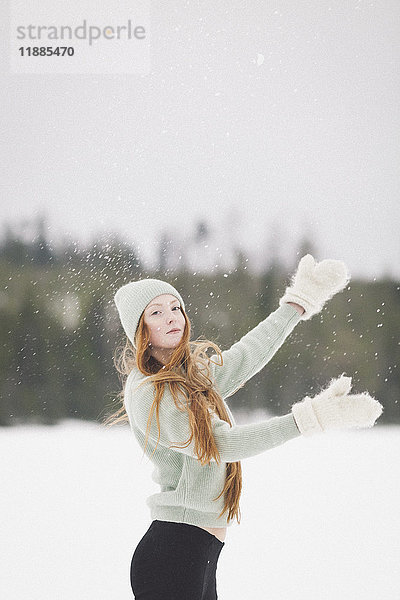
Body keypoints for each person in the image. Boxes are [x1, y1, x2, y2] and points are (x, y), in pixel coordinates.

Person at [107, 254, 383, 600]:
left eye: (175, 307)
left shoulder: (188, 375)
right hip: (173, 554)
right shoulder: (151, 391)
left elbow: (246, 356)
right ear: (140, 329)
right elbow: (220, 445)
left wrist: (297, 304)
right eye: (156, 312)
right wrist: (308, 420)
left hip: (196, 553)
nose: (171, 317)